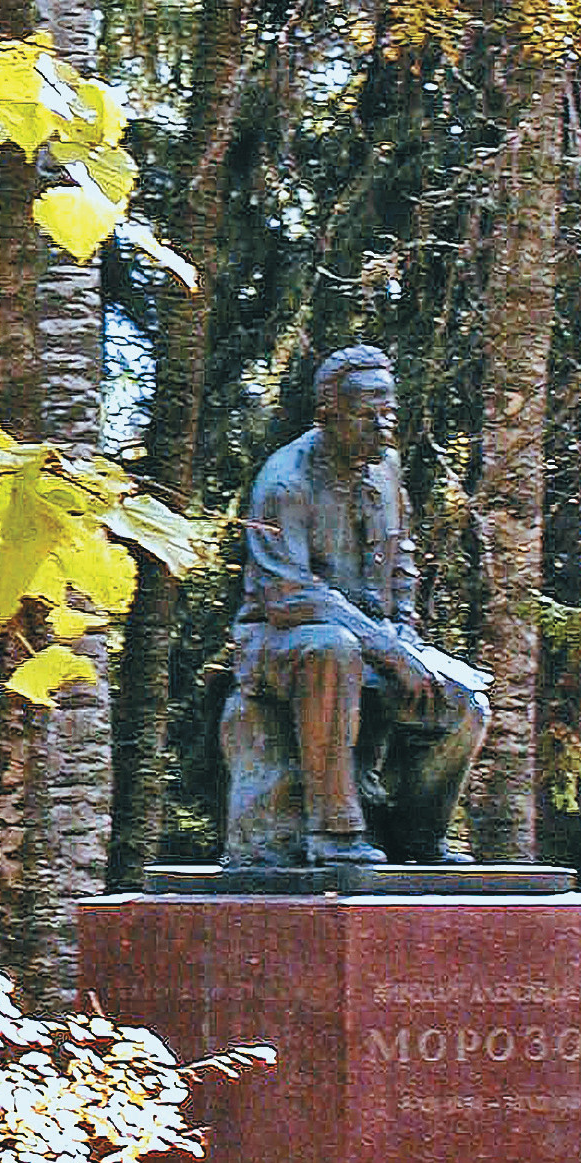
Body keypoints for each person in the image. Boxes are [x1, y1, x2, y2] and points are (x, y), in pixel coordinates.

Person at [229, 345, 490, 865]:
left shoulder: (386, 469)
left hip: (372, 641)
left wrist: (405, 636)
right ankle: (333, 832)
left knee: (465, 702)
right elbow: (288, 596)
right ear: (328, 414)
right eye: (367, 413)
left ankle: (418, 835)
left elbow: (401, 562)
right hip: (278, 643)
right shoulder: (285, 482)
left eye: (388, 411)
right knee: (332, 651)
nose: (383, 425)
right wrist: (386, 649)